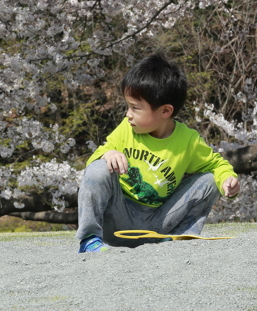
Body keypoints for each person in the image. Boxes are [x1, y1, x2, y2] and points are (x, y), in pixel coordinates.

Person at [76, 54, 240, 253]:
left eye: (135, 108)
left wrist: (228, 179)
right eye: (128, 106)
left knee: (210, 180)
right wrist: (108, 153)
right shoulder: (126, 129)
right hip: (117, 223)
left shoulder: (188, 141)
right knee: (99, 167)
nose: (128, 114)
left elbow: (217, 165)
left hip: (158, 224)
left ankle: (178, 240)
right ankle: (90, 239)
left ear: (165, 111)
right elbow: (94, 163)